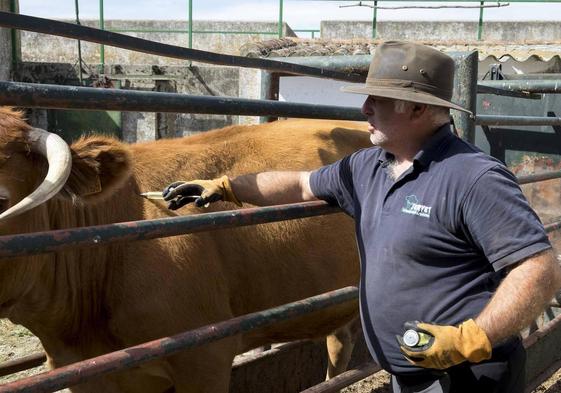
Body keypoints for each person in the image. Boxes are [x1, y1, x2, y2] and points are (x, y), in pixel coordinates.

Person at [162, 41, 561, 392]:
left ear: (419, 107)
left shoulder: (473, 177)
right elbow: (301, 184)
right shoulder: (367, 167)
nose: (365, 108)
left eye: (379, 100)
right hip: (409, 372)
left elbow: (538, 269)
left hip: (470, 374)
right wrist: (229, 186)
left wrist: (471, 338)